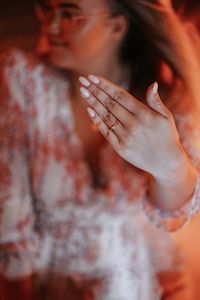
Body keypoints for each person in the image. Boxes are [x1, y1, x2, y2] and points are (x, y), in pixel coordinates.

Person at [0, 0, 200, 299]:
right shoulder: (23, 78)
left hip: (135, 286)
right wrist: (21, 290)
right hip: (48, 286)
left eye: (69, 13)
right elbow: (9, 205)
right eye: (47, 8)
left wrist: (171, 168)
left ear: (117, 26)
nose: (51, 25)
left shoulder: (162, 96)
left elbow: (175, 214)